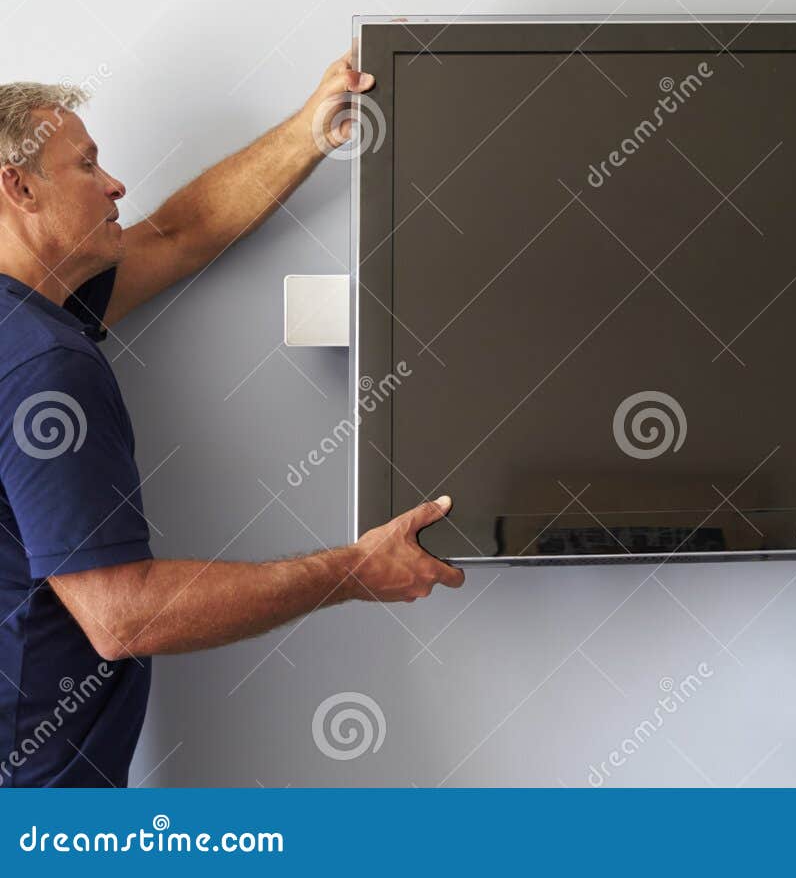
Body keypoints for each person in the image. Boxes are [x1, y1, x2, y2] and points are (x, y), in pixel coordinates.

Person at [0, 53, 463, 788]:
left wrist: (314, 127)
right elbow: (122, 618)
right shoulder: (41, 364)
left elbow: (177, 235)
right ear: (18, 185)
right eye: (86, 165)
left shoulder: (26, 324)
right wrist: (353, 570)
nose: (115, 182)